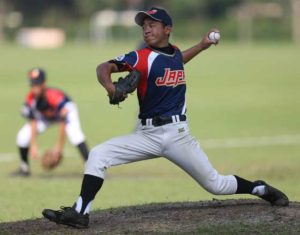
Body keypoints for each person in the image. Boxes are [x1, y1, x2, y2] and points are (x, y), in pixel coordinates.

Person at [42, 7, 288, 228]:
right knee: (98, 154)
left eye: (152, 24)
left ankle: (259, 188)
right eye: (144, 25)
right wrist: (110, 88)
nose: (147, 29)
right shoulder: (141, 56)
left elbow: (178, 60)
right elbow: (103, 67)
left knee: (216, 185)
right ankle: (80, 213)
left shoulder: (174, 54)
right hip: (146, 135)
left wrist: (202, 46)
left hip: (177, 136)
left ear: (167, 29)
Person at [14, 68, 89, 176]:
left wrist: (59, 147)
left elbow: (63, 121)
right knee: (22, 136)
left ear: (43, 83)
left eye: (37, 84)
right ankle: (24, 167)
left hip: (66, 112)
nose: (34, 87)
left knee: (75, 134)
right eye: (32, 84)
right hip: (46, 117)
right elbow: (33, 121)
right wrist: (33, 145)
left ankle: (90, 166)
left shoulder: (54, 96)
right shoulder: (30, 98)